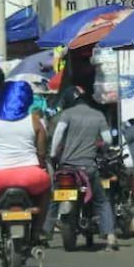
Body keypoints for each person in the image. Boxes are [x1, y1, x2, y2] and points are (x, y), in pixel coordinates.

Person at [0, 81, 51, 248]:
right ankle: (37, 231)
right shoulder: (34, 120)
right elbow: (42, 153)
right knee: (46, 188)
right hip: (30, 177)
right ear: (27, 99)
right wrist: (39, 165)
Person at [46, 68, 118, 250]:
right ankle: (110, 236)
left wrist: (53, 155)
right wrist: (102, 148)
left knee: (54, 199)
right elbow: (108, 140)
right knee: (102, 201)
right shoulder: (98, 115)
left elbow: (58, 135)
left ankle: (45, 232)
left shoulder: (67, 114)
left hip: (67, 168)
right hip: (89, 168)